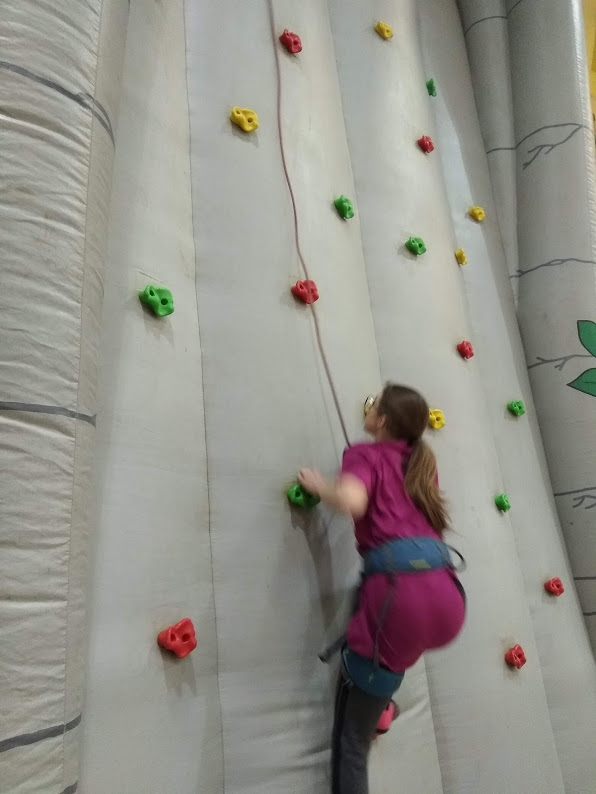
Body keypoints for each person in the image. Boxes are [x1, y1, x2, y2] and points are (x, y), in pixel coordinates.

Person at [298, 383, 466, 794]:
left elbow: (352, 502)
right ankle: (378, 705)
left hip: (399, 597)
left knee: (351, 742)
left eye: (374, 404)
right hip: (445, 593)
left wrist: (320, 486)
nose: (369, 408)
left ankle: (371, 707)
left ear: (383, 420)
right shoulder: (421, 462)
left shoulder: (364, 455)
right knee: (388, 641)